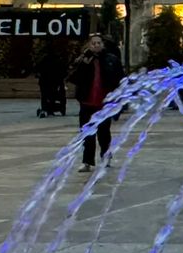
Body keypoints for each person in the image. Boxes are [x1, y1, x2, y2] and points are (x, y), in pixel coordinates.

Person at [70, 32, 124, 169]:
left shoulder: (111, 59)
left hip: (104, 103)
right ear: (89, 45)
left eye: (98, 43)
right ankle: (87, 161)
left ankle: (106, 158)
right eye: (93, 43)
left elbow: (120, 79)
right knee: (87, 133)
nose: (96, 45)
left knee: (104, 133)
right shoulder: (83, 60)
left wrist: (119, 100)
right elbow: (73, 78)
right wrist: (84, 64)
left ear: (102, 44)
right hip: (87, 101)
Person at [35, 37, 69, 117]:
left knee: (45, 96)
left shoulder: (44, 58)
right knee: (53, 95)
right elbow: (63, 70)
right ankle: (51, 109)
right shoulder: (58, 59)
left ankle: (45, 109)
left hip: (45, 80)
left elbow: (38, 68)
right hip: (55, 80)